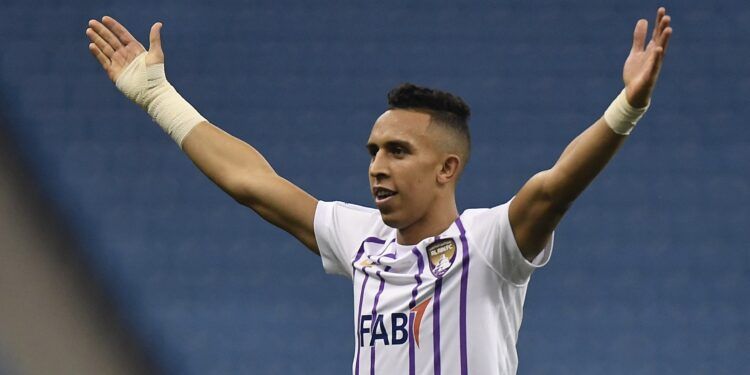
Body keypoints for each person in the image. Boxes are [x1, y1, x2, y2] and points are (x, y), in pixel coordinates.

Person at [85, 7, 672, 374]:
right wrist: (159, 98)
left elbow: (556, 185)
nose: (377, 167)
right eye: (373, 152)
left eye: (398, 151)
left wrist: (627, 108)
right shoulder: (360, 236)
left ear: (447, 169)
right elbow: (252, 183)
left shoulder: (490, 244)